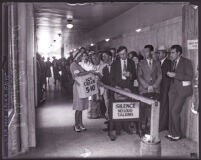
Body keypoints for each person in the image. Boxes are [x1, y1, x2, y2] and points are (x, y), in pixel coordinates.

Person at [166, 45, 193, 141]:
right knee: (170, 111)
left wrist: (175, 75)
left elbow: (189, 77)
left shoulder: (187, 62)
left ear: (179, 53)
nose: (171, 55)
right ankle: (171, 133)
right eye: (170, 52)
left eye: (173, 53)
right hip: (172, 90)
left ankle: (177, 134)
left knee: (174, 111)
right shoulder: (172, 62)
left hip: (182, 91)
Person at [110, 46, 137, 140]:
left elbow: (135, 76)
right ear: (118, 54)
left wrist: (130, 75)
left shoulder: (131, 62)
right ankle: (118, 129)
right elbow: (111, 78)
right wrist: (115, 87)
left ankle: (126, 127)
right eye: (121, 54)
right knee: (118, 109)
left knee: (127, 109)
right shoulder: (114, 63)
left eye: (124, 54)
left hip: (128, 89)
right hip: (118, 89)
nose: (123, 56)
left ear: (127, 52)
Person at [137, 45, 162, 134]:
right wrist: (147, 86)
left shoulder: (157, 63)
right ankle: (143, 128)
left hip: (155, 90)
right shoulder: (140, 63)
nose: (145, 53)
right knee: (144, 110)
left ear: (151, 52)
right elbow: (139, 76)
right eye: (144, 51)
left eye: (147, 51)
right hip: (144, 90)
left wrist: (154, 86)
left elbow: (160, 76)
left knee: (153, 109)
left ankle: (151, 127)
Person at [70, 52, 92, 132]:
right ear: (76, 57)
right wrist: (89, 72)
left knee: (82, 107)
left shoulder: (79, 65)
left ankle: (81, 124)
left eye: (81, 56)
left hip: (83, 87)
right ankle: (76, 125)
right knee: (78, 107)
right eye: (79, 56)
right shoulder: (73, 65)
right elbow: (78, 74)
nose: (81, 57)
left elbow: (84, 73)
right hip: (77, 87)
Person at [156, 45, 172, 131]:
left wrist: (165, 89)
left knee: (163, 107)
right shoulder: (158, 62)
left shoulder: (168, 62)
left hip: (165, 88)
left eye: (159, 53)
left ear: (165, 53)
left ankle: (161, 126)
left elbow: (167, 78)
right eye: (158, 53)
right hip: (159, 88)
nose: (158, 55)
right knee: (161, 106)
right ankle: (161, 125)